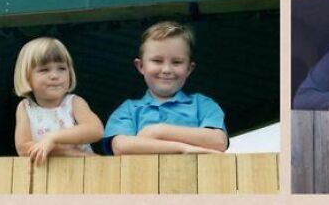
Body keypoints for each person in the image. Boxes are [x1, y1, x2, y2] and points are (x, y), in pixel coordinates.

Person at [104, 21, 228, 155]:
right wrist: (183, 149)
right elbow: (121, 147)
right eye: (157, 61)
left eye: (177, 62)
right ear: (141, 66)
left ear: (189, 69)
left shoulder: (203, 105)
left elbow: (218, 141)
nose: (166, 69)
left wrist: (158, 131)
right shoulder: (128, 110)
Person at [13, 37, 103, 164]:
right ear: (27, 77)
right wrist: (67, 152)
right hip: (45, 174)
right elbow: (23, 148)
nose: (55, 76)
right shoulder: (25, 107)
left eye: (61, 68)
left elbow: (96, 130)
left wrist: (52, 138)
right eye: (44, 70)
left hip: (82, 170)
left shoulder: (74, 102)